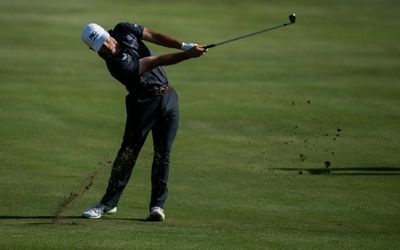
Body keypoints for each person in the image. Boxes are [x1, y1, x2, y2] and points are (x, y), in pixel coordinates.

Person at [80, 22, 206, 221]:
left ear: (106, 33)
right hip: (143, 104)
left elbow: (153, 35)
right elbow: (154, 61)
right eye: (100, 47)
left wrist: (183, 45)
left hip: (168, 97)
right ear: (92, 49)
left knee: (162, 154)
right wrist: (187, 55)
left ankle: (157, 206)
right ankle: (108, 203)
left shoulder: (123, 29)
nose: (106, 47)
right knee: (128, 153)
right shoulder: (117, 65)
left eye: (105, 40)